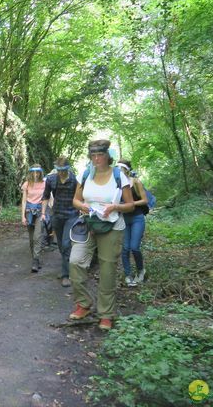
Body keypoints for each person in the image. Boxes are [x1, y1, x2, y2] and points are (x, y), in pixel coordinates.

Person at [70, 140, 134, 331]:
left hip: (112, 227)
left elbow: (130, 205)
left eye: (100, 155)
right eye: (93, 156)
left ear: (108, 156)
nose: (97, 159)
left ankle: (106, 314)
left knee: (107, 271)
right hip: (89, 225)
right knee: (75, 261)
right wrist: (82, 206)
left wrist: (115, 206)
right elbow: (76, 199)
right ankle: (84, 303)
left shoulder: (119, 175)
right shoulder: (86, 174)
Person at [41, 156, 79, 287]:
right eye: (59, 170)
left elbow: (79, 198)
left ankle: (66, 275)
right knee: (62, 246)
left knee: (66, 243)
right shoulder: (51, 179)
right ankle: (66, 267)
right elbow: (45, 197)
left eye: (63, 170)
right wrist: (43, 213)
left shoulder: (75, 180)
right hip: (57, 215)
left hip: (71, 215)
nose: (61, 172)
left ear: (68, 168)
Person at [116, 159, 148, 287]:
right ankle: (128, 275)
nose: (118, 171)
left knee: (134, 247)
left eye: (120, 169)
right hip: (124, 219)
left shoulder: (136, 182)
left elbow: (144, 200)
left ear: (126, 170)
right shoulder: (117, 184)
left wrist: (130, 204)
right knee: (125, 248)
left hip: (137, 218)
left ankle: (141, 271)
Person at [21, 164, 46, 272]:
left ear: (40, 172)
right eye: (34, 172)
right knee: (31, 239)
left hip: (40, 211)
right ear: (31, 172)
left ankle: (35, 260)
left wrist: (44, 213)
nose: (36, 174)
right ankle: (35, 259)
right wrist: (22, 216)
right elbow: (23, 201)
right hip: (29, 212)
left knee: (37, 237)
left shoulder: (45, 184)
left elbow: (46, 198)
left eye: (38, 172)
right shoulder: (26, 184)